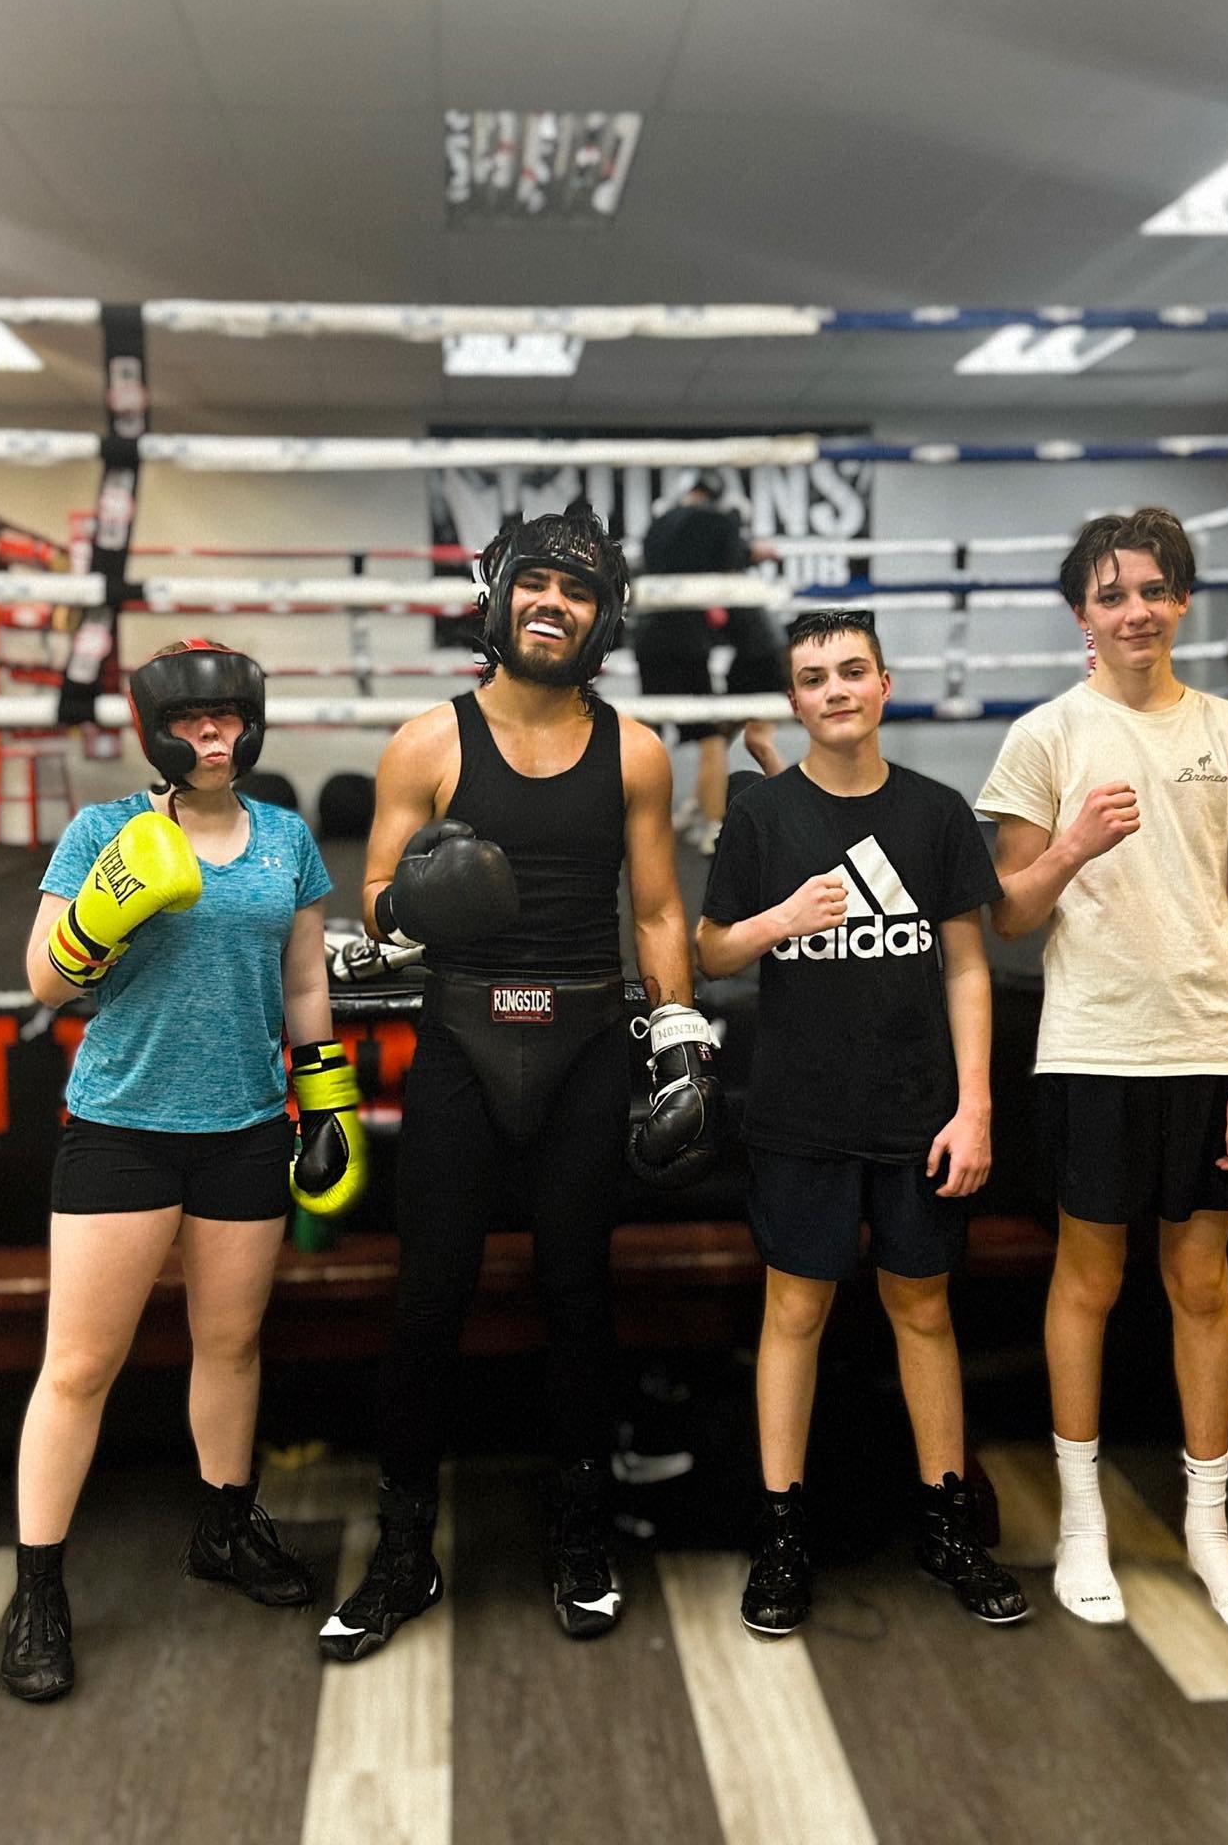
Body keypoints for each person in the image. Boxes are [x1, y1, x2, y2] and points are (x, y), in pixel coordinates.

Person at [320, 502, 717, 1660]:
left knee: (578, 1298)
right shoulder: (426, 743)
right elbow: (380, 896)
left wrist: (679, 1029)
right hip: (463, 1044)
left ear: (604, 617)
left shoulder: (634, 750)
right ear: (499, 594)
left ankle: (580, 1535)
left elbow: (652, 905)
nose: (554, 603)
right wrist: (413, 908)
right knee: (427, 1301)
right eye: (536, 582)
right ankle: (402, 1553)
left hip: (587, 1045)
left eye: (579, 590)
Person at [4, 639, 366, 1702]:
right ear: (158, 729)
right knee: (78, 1364)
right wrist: (98, 913)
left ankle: (223, 1526)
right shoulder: (104, 831)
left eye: (229, 719)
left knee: (231, 1341)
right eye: (194, 722)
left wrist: (325, 1101)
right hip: (122, 1124)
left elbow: (305, 981)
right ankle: (37, 1589)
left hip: (246, 1125)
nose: (215, 738)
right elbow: (42, 978)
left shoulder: (289, 838)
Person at [977, 508, 1228, 1631]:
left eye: (1155, 590)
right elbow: (1008, 916)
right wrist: (1071, 844)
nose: (1137, 611)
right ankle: (1081, 1524)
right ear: (1083, 614)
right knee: (1090, 1282)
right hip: (1092, 1046)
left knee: (1201, 1285)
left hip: (1209, 1049)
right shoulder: (1045, 736)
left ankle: (1209, 1528)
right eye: (1113, 595)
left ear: (1182, 602)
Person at [695, 609, 1028, 1634]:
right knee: (793, 1313)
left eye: (852, 670)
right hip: (800, 1112)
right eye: (813, 676)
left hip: (920, 1110)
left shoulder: (934, 815)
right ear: (795, 700)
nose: (835, 688)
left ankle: (944, 1522)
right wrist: (778, 921)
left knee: (923, 1311)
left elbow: (971, 964)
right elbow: (710, 952)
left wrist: (975, 1106)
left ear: (885, 684)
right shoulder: (761, 817)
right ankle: (783, 1531)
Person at [635, 474, 784, 852]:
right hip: (688, 638)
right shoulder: (717, 522)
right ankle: (715, 826)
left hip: (649, 634)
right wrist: (754, 552)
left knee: (650, 730)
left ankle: (636, 820)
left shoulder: (660, 523)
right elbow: (733, 556)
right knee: (711, 737)